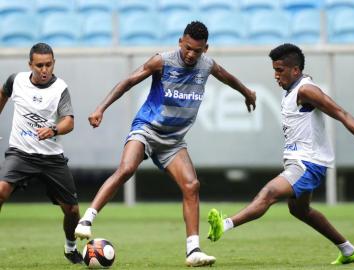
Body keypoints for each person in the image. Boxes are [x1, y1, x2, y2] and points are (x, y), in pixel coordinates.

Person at [74, 21, 256, 267]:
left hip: (172, 140)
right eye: (188, 48)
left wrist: (247, 93)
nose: (191, 54)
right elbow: (128, 81)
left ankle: (193, 251)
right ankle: (87, 219)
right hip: (147, 129)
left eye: (197, 50)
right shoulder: (163, 61)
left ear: (206, 49)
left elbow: (228, 78)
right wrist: (100, 108)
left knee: (192, 185)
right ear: (181, 41)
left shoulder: (207, 65)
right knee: (127, 168)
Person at [207, 43, 354, 265]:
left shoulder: (306, 90)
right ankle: (349, 250)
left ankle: (226, 224)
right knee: (300, 210)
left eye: (280, 70)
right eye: (274, 70)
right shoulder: (294, 88)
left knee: (269, 192)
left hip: (308, 163)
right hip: (299, 161)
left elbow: (341, 114)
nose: (275, 75)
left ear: (295, 70)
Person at [0, 43, 83, 264]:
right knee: (0, 191)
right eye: (39, 65)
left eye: (48, 64)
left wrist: (54, 129)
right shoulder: (15, 81)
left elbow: (69, 121)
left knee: (73, 210)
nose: (44, 70)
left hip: (51, 159)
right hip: (20, 153)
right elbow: (3, 93)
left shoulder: (60, 89)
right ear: (30, 65)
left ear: (53, 63)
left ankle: (70, 247)